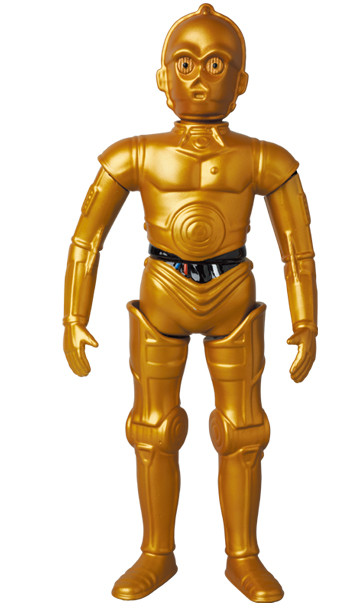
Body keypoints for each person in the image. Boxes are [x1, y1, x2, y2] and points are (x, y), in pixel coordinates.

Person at [63, 4, 317, 603]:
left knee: (242, 431)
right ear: (161, 77)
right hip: (162, 297)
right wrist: (74, 316)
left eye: (215, 64)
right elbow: (86, 240)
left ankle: (243, 557)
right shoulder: (133, 155)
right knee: (153, 430)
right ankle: (157, 553)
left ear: (242, 80)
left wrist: (306, 322)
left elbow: (298, 250)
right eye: (185, 64)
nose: (199, 78)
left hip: (234, 298)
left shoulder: (265, 159)